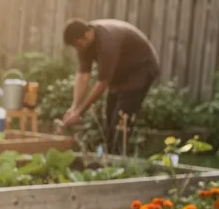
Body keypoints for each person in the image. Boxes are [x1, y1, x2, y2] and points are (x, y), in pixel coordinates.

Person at [61, 18, 160, 153]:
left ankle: (118, 159)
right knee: (108, 120)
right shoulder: (84, 43)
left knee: (121, 122)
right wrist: (74, 107)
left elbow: (103, 82)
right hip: (120, 74)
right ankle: (109, 159)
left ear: (87, 35)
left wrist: (80, 113)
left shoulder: (107, 43)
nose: (78, 49)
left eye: (77, 44)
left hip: (140, 70)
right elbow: (83, 75)